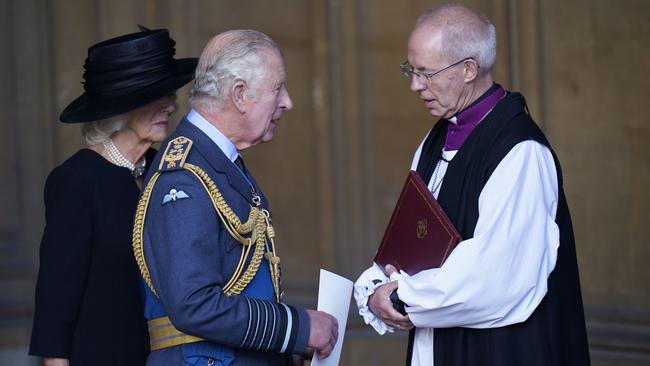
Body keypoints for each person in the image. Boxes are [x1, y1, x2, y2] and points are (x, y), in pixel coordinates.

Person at [354, 3, 590, 366]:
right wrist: (374, 289)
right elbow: (412, 241)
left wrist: (401, 297)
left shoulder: (520, 151)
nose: (416, 86)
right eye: (410, 71)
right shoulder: (435, 141)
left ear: (468, 69)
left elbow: (496, 278)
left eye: (426, 73)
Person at [132, 29, 338, 366]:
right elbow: (193, 304)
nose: (288, 101)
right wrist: (296, 327)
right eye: (277, 88)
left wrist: (286, 344)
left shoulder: (213, 161)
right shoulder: (184, 175)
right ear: (240, 95)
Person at [29, 28, 198, 366]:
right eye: (157, 95)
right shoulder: (76, 181)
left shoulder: (167, 171)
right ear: (121, 107)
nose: (171, 104)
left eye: (170, 93)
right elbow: (56, 307)